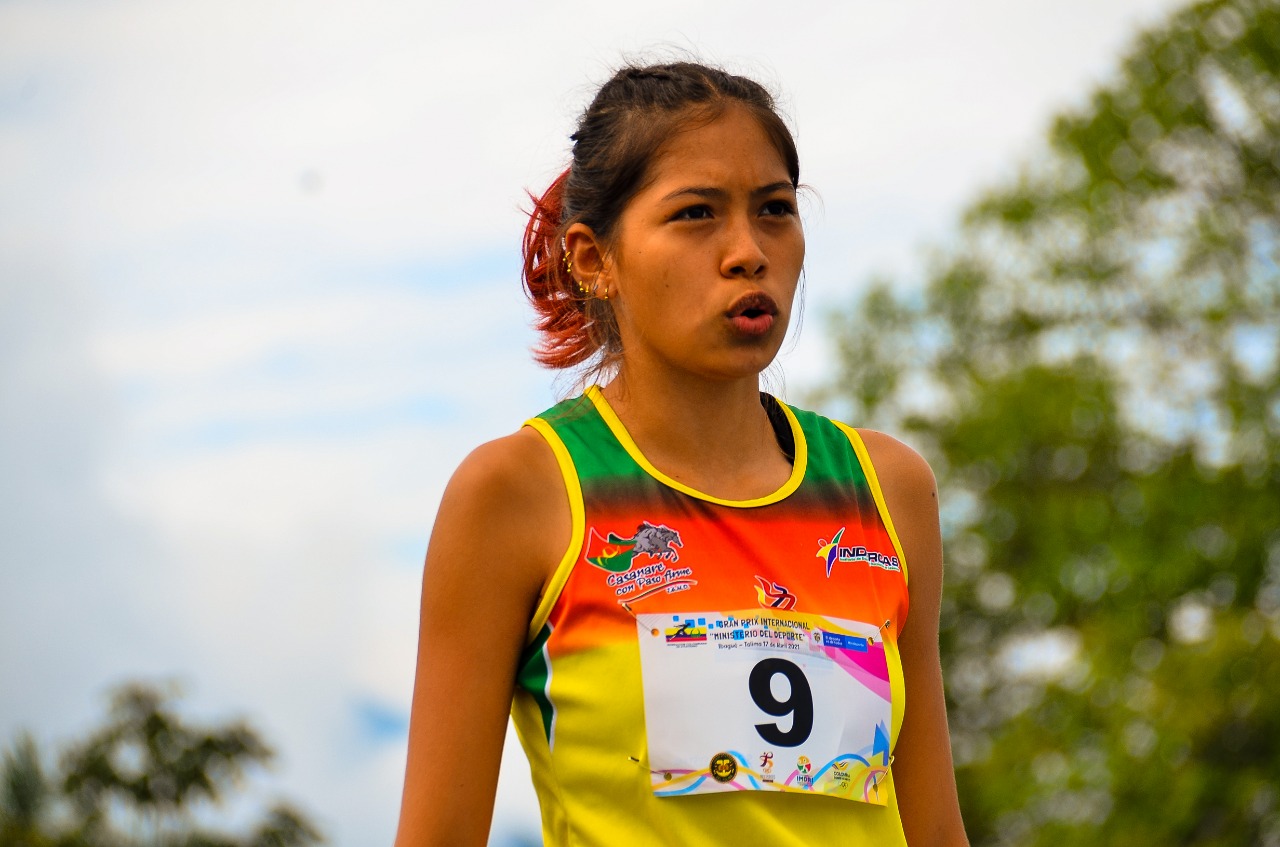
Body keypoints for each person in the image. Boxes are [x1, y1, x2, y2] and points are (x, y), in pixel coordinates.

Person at [394, 61, 969, 847]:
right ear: (593, 259)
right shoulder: (520, 492)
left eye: (775, 209)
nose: (748, 251)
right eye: (697, 213)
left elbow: (935, 828)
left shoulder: (886, 488)